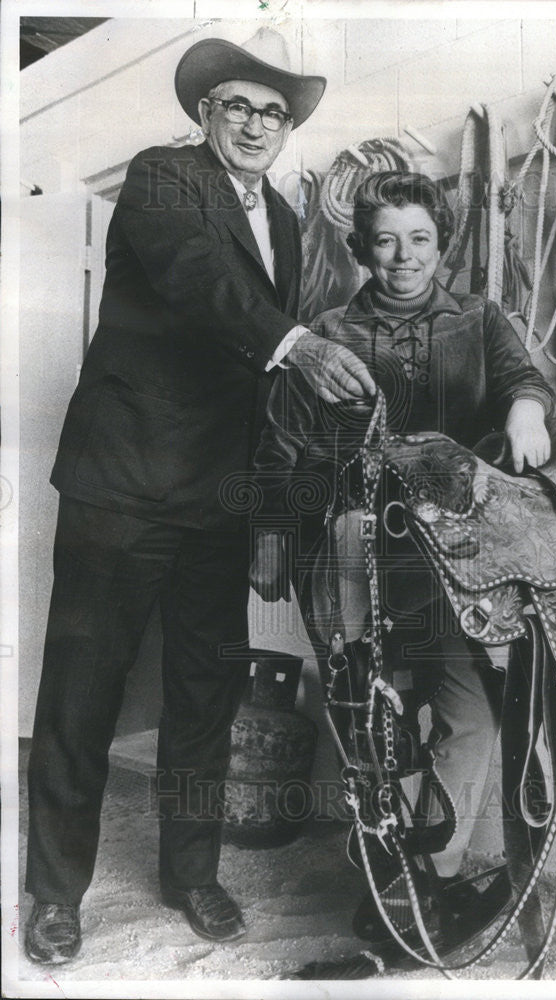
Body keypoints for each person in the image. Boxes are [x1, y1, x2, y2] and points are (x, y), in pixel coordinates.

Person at [24, 28, 376, 966]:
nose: (258, 122)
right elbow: (199, 279)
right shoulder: (163, 180)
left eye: (274, 110)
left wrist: (266, 516)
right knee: (81, 695)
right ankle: (55, 894)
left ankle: (192, 873)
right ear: (203, 114)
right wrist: (298, 344)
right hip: (123, 485)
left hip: (218, 498)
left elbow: (259, 388)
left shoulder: (294, 223)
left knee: (204, 697)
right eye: (239, 106)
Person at [249, 171, 554, 942]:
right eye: (385, 240)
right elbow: (278, 444)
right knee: (371, 721)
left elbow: (521, 375)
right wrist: (270, 533)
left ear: (440, 243)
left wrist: (525, 405)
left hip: (453, 549)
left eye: (419, 238)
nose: (403, 255)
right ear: (362, 248)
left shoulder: (479, 319)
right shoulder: (329, 333)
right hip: (355, 539)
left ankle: (434, 874)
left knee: (473, 710)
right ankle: (389, 876)